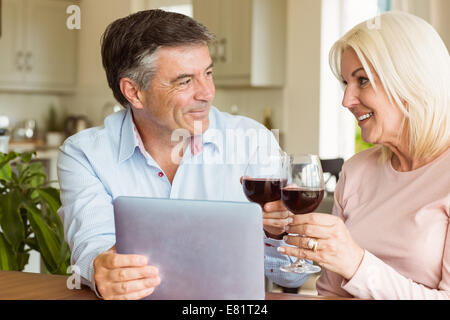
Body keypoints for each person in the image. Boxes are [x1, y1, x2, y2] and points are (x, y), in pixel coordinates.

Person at [57, 9, 307, 300]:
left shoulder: (252, 142)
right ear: (134, 92)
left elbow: (291, 275)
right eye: (185, 81)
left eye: (208, 73)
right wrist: (102, 270)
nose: (207, 93)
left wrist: (277, 234)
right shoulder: (84, 154)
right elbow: (93, 247)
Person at [278, 11, 450, 299]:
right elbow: (331, 293)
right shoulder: (357, 170)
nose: (346, 100)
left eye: (363, 81)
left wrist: (356, 264)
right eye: (346, 83)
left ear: (410, 79)